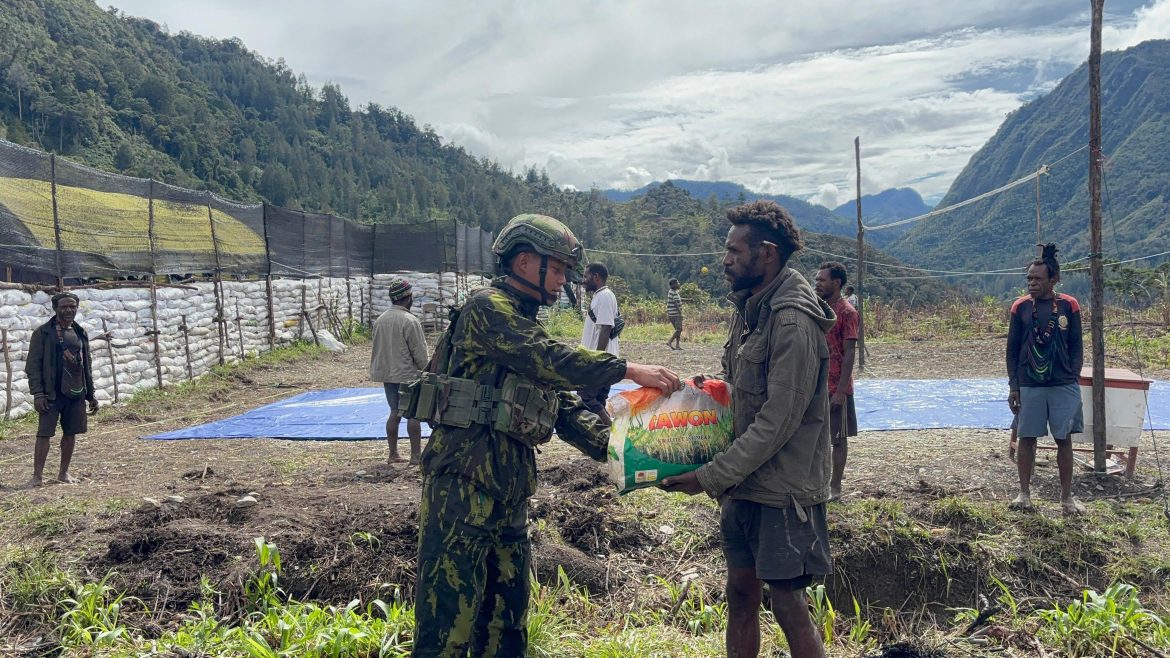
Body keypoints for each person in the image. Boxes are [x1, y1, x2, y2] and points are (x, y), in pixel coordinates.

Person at [410, 213, 681, 657]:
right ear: (522, 262)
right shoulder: (487, 310)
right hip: (460, 489)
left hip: (508, 494)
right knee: (447, 627)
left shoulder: (526, 324)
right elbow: (547, 357)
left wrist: (646, 455)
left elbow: (566, 411)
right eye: (556, 269)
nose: (563, 280)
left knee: (507, 625)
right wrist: (628, 368)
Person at [662, 200, 834, 658]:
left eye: (735, 251)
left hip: (782, 490)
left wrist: (708, 477)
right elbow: (743, 389)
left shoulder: (793, 321)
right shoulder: (750, 307)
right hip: (745, 484)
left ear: (768, 254)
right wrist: (708, 392)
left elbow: (777, 422)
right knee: (740, 593)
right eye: (727, 250)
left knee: (788, 604)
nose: (726, 259)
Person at [1007, 243, 1085, 515]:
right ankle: (1024, 494)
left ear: (1053, 280)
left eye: (1038, 279)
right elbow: (1012, 349)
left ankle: (1067, 498)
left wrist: (1072, 376)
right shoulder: (1020, 308)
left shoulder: (1069, 305)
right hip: (1030, 384)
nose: (1032, 283)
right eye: (1029, 278)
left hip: (1063, 384)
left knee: (1064, 439)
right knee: (1027, 437)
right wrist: (1014, 386)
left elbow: (1077, 346)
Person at [26, 292, 99, 487]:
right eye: (64, 307)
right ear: (55, 308)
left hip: (75, 392)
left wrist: (90, 394)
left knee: (71, 432)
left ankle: (63, 473)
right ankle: (37, 477)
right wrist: (38, 393)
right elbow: (33, 366)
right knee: (44, 434)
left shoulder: (80, 332)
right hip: (52, 393)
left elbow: (86, 365)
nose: (69, 310)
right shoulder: (43, 333)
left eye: (72, 306)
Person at [370, 277, 428, 465]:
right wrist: (426, 370)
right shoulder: (409, 321)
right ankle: (415, 457)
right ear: (407, 297)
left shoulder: (380, 320)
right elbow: (418, 352)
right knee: (413, 414)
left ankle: (393, 454)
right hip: (407, 375)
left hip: (388, 375)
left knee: (394, 412)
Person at [814, 261, 858, 501]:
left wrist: (841, 391)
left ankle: (835, 486)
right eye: (817, 279)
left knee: (837, 440)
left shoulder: (847, 312)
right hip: (815, 385)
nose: (817, 283)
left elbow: (850, 353)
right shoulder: (817, 309)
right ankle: (816, 482)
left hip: (836, 387)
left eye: (822, 280)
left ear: (837, 283)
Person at [578, 262, 620, 424]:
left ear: (596, 277)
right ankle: (607, 442)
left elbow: (606, 328)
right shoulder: (600, 296)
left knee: (586, 398)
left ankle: (614, 433)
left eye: (586, 276)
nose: (583, 280)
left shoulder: (604, 296)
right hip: (601, 360)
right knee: (598, 401)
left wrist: (597, 358)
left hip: (601, 361)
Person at [666, 277, 684, 350]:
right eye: (677, 283)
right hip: (675, 314)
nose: (679, 284)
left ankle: (677, 345)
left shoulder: (675, 292)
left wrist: (688, 300)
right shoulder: (672, 292)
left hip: (674, 313)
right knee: (679, 329)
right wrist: (680, 313)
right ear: (673, 285)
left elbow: (678, 299)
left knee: (678, 329)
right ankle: (670, 341)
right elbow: (676, 303)